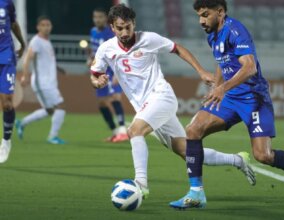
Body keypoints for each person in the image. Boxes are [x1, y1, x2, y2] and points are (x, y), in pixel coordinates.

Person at [170, 0, 284, 209]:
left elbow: (249, 68)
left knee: (263, 155)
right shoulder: (212, 35)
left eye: (205, 15)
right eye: (199, 16)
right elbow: (223, 62)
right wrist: (216, 88)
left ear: (220, 12)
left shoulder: (236, 31)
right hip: (230, 98)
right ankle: (196, 193)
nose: (201, 21)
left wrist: (222, 88)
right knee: (193, 130)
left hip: (253, 99)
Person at [90, 4, 256, 199]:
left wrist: (200, 71)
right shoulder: (105, 49)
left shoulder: (148, 39)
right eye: (120, 28)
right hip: (144, 105)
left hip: (161, 96)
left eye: (128, 27)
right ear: (112, 27)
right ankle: (237, 160)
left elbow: (178, 49)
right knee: (187, 151)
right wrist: (97, 81)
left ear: (134, 24)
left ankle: (140, 184)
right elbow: (95, 74)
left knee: (134, 131)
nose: (125, 32)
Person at [15, 16, 66, 145]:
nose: (46, 27)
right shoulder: (36, 41)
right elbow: (27, 58)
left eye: (48, 25)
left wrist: (58, 68)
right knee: (60, 107)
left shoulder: (46, 41)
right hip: (43, 82)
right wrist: (25, 76)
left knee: (50, 110)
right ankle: (52, 137)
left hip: (48, 82)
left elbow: (47, 60)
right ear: (38, 27)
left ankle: (22, 123)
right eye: (43, 25)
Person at [87, 7, 127, 142]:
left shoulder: (111, 33)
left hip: (111, 70)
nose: (97, 20)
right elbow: (94, 52)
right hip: (99, 72)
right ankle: (115, 131)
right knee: (102, 103)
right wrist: (90, 59)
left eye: (100, 17)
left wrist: (117, 73)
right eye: (95, 17)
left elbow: (119, 53)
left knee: (115, 97)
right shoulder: (93, 32)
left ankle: (122, 130)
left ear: (106, 19)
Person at [0, 0, 26, 163]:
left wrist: (22, 43)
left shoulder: (7, 3)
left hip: (6, 56)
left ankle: (6, 141)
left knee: (7, 103)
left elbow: (14, 24)